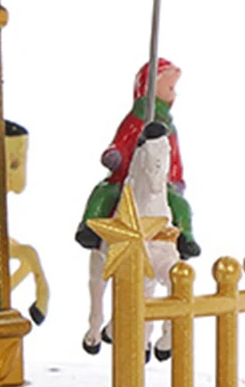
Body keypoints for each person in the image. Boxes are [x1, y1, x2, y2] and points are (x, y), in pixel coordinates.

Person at [76, 57, 199, 258]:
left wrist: (176, 178)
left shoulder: (170, 128)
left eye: (173, 88)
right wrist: (114, 155)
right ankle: (89, 227)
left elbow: (175, 157)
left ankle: (185, 237)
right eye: (170, 88)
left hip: (161, 181)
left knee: (180, 205)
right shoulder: (135, 121)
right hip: (126, 176)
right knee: (104, 193)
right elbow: (120, 141)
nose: (174, 93)